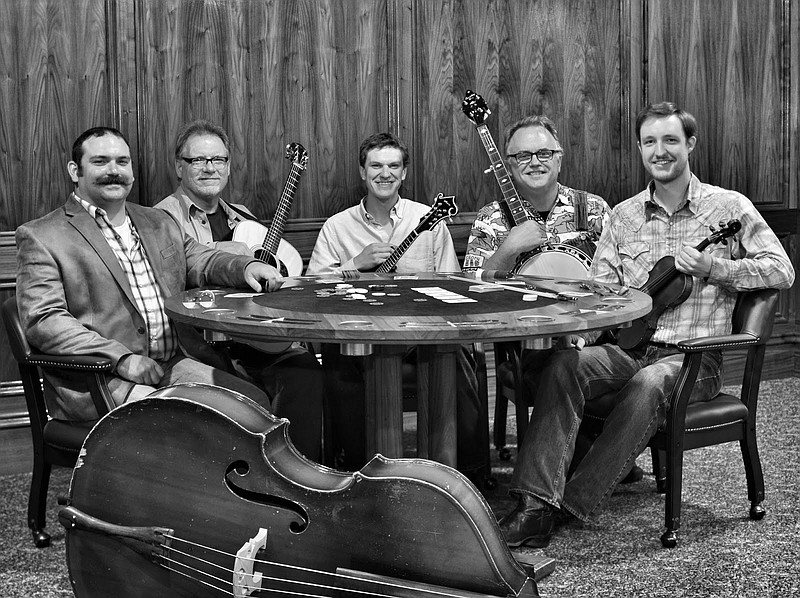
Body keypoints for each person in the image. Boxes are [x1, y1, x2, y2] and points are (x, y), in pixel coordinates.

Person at [499, 102, 795, 548]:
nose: (661, 151)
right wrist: (589, 316)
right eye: (650, 142)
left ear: (689, 144)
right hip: (631, 347)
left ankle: (569, 505)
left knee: (650, 382)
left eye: (671, 140)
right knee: (565, 364)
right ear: (640, 149)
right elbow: (600, 287)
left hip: (694, 360)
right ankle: (534, 503)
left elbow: (781, 269)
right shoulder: (623, 216)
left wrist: (717, 268)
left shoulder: (728, 207)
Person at [15, 126, 282, 423]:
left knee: (252, 405)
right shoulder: (42, 236)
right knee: (188, 422)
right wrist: (122, 359)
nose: (114, 171)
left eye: (122, 161)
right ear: (74, 170)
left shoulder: (157, 221)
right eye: (100, 161)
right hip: (102, 379)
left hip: (172, 364)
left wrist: (246, 266)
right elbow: (45, 320)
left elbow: (200, 259)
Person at [306, 132, 487, 484]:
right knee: (337, 356)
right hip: (359, 335)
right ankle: (353, 471)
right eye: (376, 165)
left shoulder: (428, 221)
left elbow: (453, 282)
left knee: (462, 352)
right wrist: (354, 265)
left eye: (393, 166)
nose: (384, 173)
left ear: (404, 173)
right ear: (362, 172)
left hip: (422, 335)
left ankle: (464, 472)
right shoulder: (337, 227)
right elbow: (314, 289)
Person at [155, 120, 323, 461]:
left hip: (256, 337)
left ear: (229, 167)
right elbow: (181, 276)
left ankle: (303, 471)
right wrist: (236, 260)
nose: (209, 168)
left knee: (306, 368)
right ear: (178, 166)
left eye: (218, 160)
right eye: (198, 160)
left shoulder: (243, 218)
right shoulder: (160, 220)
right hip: (204, 346)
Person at [463, 115, 610, 275]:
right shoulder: (489, 218)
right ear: (509, 167)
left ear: (559, 161)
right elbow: (471, 285)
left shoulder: (594, 209)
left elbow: (623, 278)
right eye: (523, 156)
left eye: (544, 153)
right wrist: (509, 249)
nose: (534, 162)